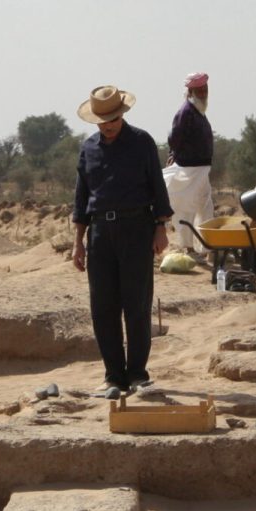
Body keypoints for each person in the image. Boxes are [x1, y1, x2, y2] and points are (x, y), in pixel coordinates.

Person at [73, 85, 174, 398]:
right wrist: (78, 241)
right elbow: (81, 198)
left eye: (114, 118)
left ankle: (137, 374)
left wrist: (161, 227)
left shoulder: (141, 142)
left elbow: (158, 187)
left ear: (122, 114)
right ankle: (113, 376)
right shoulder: (88, 149)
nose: (109, 124)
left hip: (137, 229)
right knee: (103, 307)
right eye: (103, 120)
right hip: (100, 233)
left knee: (137, 304)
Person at [163, 71, 213, 253]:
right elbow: (175, 137)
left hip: (202, 169)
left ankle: (208, 248)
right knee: (186, 209)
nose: (203, 93)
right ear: (190, 92)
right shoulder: (186, 112)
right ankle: (188, 248)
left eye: (205, 89)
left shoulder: (198, 111)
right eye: (199, 90)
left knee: (206, 208)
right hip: (189, 170)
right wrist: (173, 154)